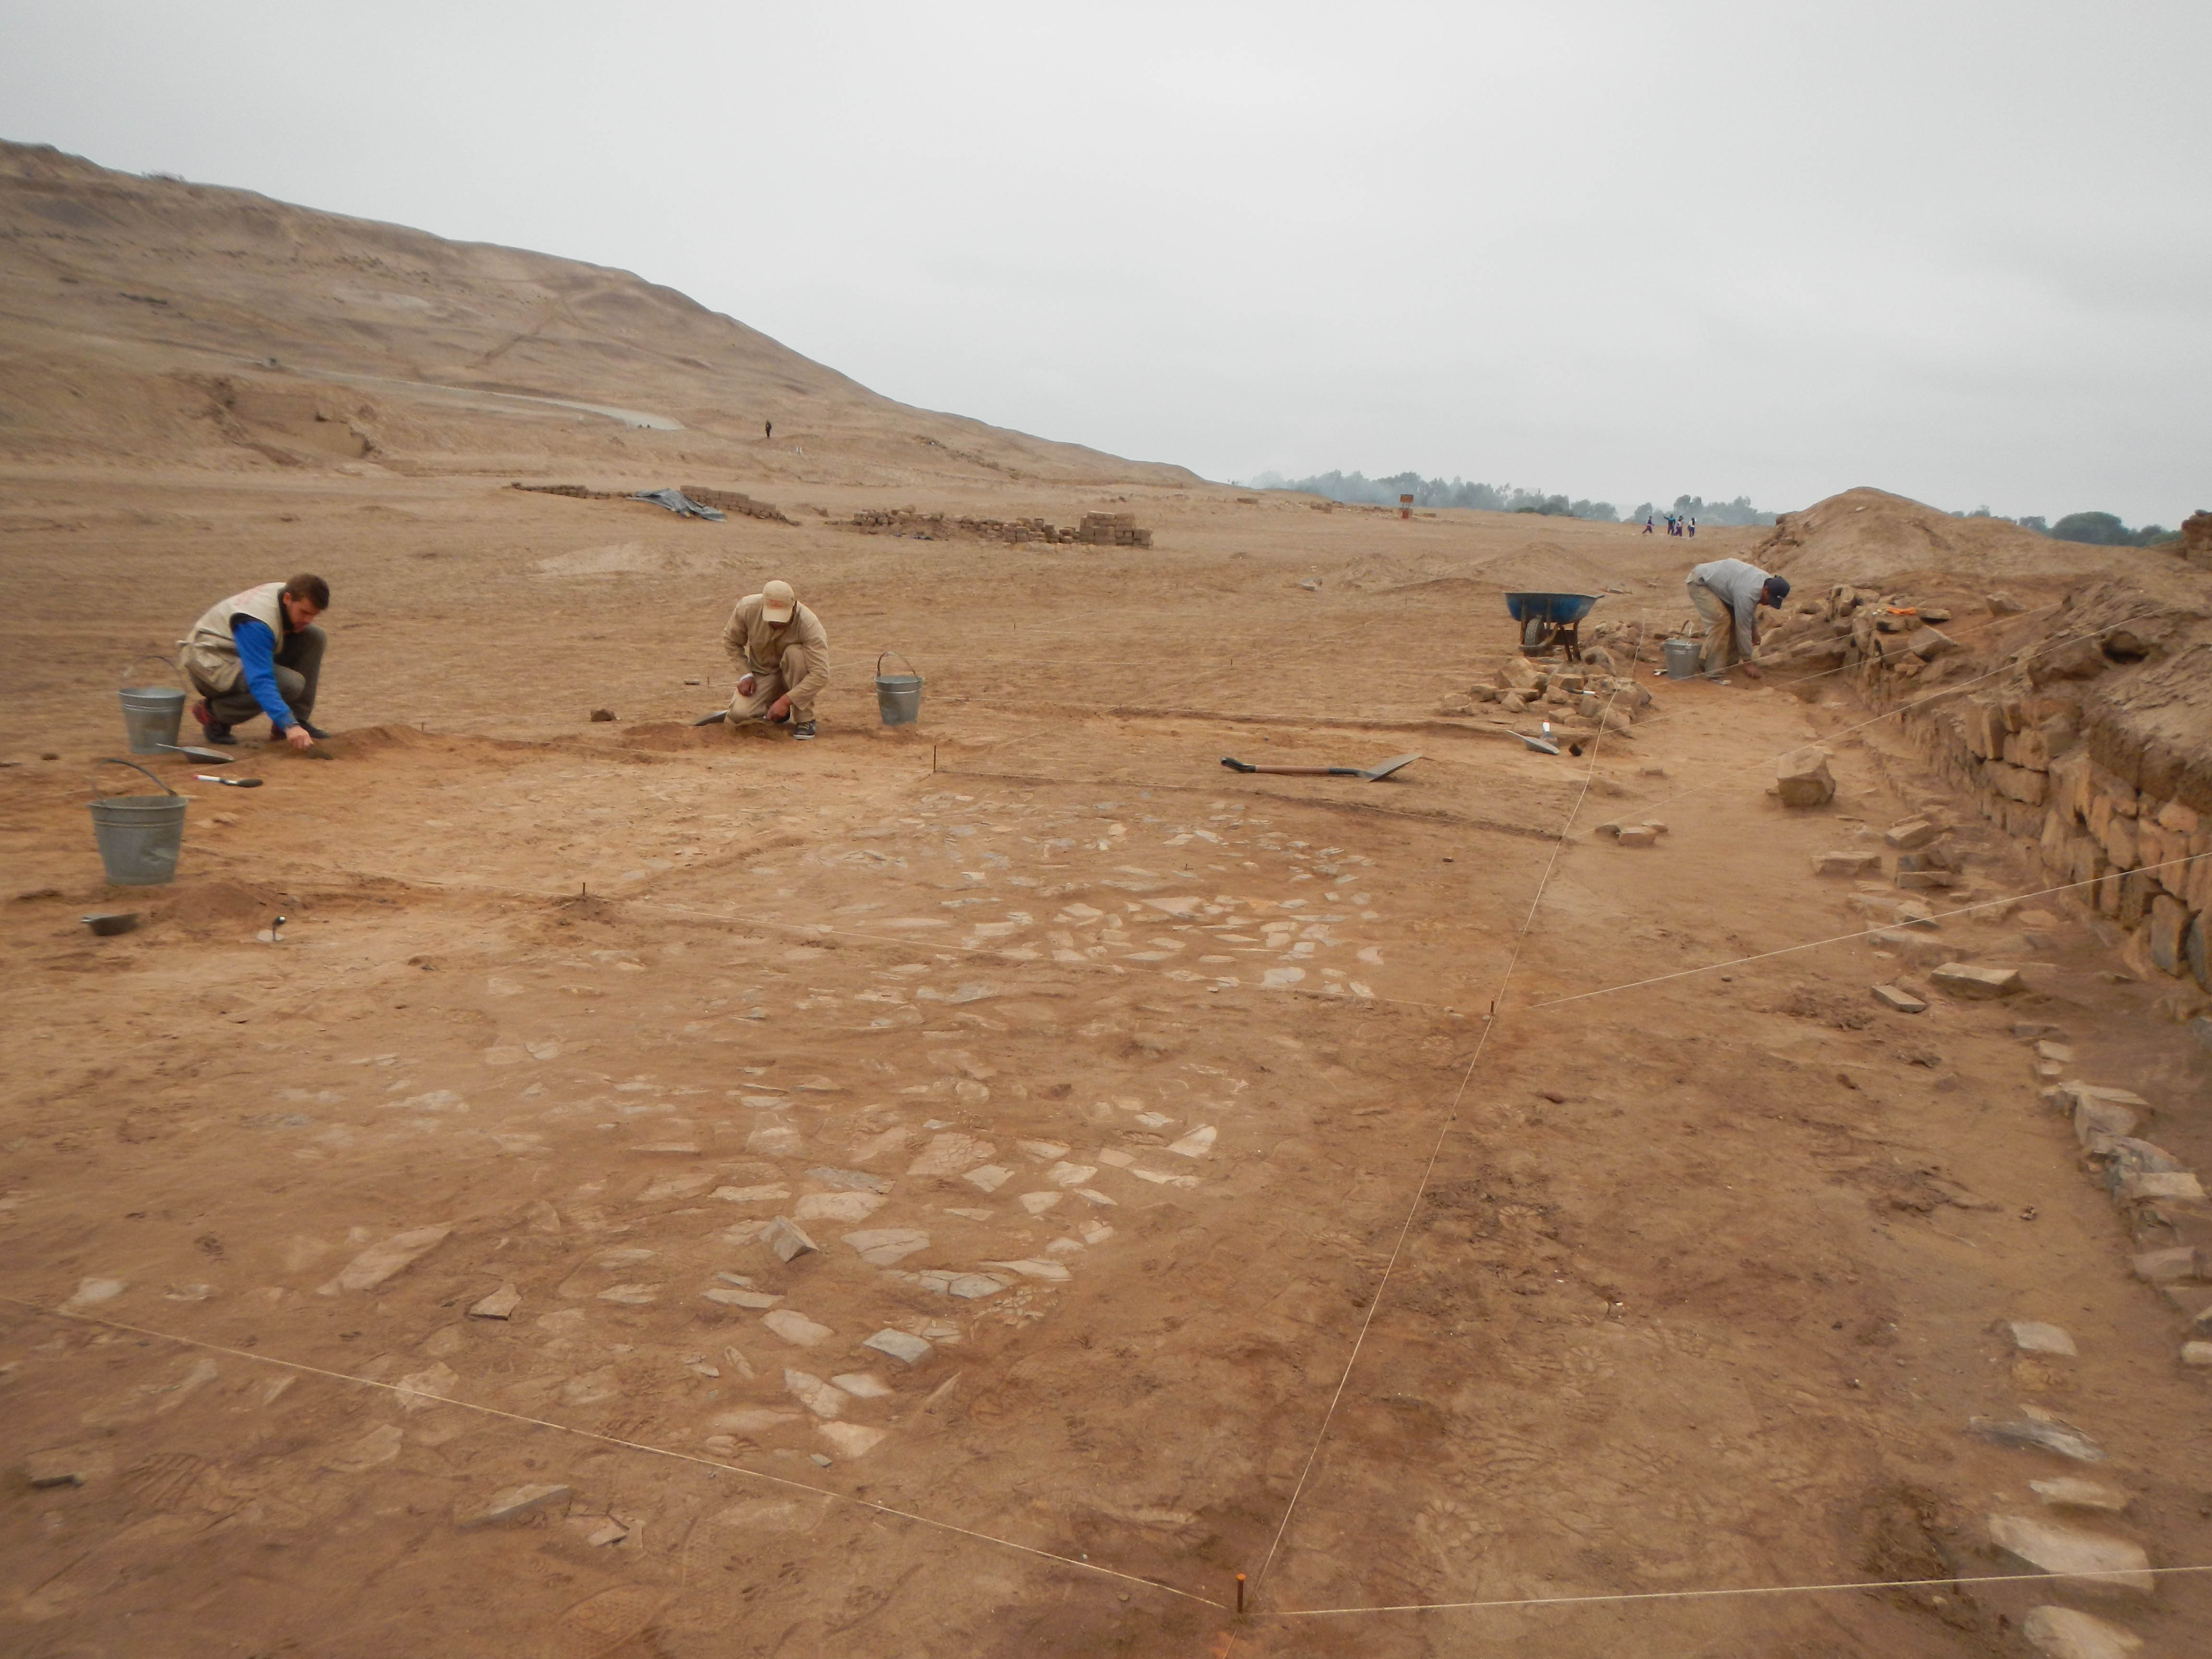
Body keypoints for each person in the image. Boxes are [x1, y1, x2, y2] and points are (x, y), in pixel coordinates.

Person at [180, 573, 332, 748]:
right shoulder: (257, 624)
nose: (308, 620)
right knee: (290, 684)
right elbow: (260, 680)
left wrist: (293, 722)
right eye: (304, 612)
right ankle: (214, 714)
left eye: (314, 614)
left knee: (314, 636)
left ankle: (297, 720)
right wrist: (288, 724)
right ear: (288, 599)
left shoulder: (288, 593)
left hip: (236, 652)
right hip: (210, 663)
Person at [721, 578, 828, 739]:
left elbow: (820, 674)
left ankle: (805, 719)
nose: (777, 623)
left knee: (795, 654)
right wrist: (746, 675)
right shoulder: (747, 608)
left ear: (794, 606)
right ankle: (776, 710)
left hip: (795, 674)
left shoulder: (809, 624)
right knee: (739, 716)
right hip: (763, 674)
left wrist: (786, 701)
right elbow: (731, 641)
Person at [1685, 558, 1789, 680]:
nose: (1767, 604)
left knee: (1734, 621)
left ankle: (1727, 664)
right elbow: (1743, 627)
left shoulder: (1766, 582)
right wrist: (1747, 662)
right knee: (1721, 621)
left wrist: (1754, 630)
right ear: (1766, 589)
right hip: (1701, 583)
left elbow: (1749, 611)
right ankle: (1713, 672)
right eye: (1769, 600)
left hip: (1726, 588)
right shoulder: (1748, 592)